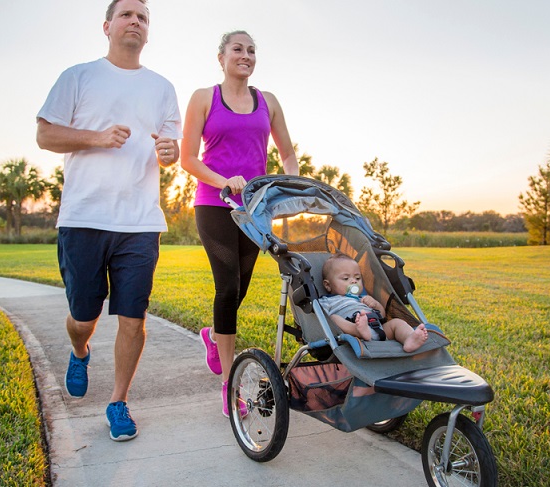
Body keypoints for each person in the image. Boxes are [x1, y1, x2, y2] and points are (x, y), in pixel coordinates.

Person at [35, 0, 181, 442]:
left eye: (143, 17)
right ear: (107, 26)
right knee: (83, 316)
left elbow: (170, 146)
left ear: (147, 32)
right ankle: (80, 350)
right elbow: (45, 134)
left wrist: (171, 154)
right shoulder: (77, 76)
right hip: (84, 217)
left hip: (139, 222)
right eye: (127, 15)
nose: (136, 21)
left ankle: (117, 401)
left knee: (133, 318)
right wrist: (97, 137)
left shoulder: (161, 87)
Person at [180, 30, 299, 416]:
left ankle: (214, 336)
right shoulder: (203, 98)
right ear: (221, 57)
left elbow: (287, 153)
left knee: (240, 286)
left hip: (254, 208)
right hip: (214, 203)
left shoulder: (269, 102)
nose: (245, 55)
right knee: (227, 282)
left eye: (251, 50)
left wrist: (289, 188)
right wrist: (222, 180)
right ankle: (230, 385)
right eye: (237, 49)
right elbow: (188, 159)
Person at [319, 254, 428, 353]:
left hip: (378, 329)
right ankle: (357, 330)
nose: (353, 281)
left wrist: (375, 305)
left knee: (397, 323)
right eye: (346, 278)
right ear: (327, 285)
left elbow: (382, 315)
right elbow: (319, 317)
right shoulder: (328, 300)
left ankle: (409, 338)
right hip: (352, 333)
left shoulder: (362, 298)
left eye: (357, 278)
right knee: (333, 318)